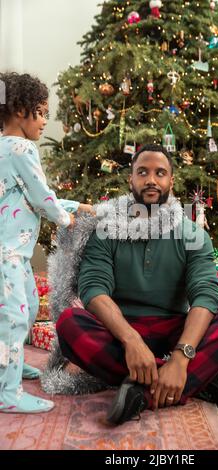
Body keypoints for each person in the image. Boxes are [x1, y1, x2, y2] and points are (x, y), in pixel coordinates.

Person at [56, 144, 218, 425]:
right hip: (121, 333)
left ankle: (145, 392)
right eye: (143, 172)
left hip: (175, 330)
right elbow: (93, 289)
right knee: (69, 323)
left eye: (160, 173)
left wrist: (181, 357)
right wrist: (131, 340)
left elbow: (205, 293)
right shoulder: (106, 229)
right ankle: (200, 380)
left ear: (171, 181)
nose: (151, 179)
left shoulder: (192, 234)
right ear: (131, 179)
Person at [0, 72, 94, 413]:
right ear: (20, 110)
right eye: (40, 112)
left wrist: (78, 207)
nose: (44, 121)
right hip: (6, 255)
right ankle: (6, 394)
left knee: (24, 308)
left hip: (17, 257)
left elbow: (33, 196)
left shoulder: (5, 148)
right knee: (12, 320)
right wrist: (69, 220)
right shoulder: (21, 148)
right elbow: (42, 198)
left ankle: (9, 368)